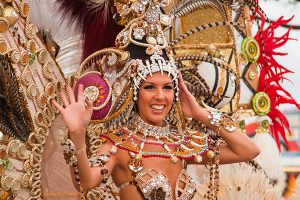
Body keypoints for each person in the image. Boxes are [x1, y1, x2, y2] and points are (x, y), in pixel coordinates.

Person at [51, 1, 260, 199]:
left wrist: (200, 113)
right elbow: (86, 182)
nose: (160, 96)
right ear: (136, 92)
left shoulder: (182, 144)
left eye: (167, 87)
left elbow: (248, 150)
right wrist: (77, 135)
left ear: (176, 92)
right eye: (150, 87)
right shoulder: (120, 145)